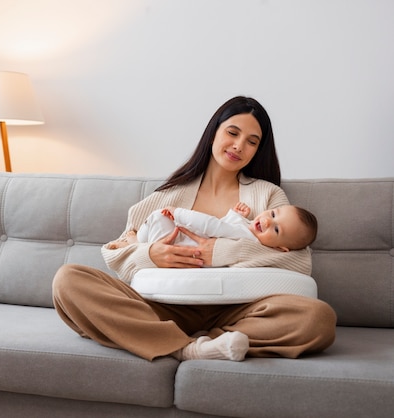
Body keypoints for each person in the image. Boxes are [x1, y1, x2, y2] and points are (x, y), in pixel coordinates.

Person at [52, 96, 336, 362]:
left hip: (240, 307)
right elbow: (119, 253)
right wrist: (151, 254)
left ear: (258, 150)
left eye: (252, 141)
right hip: (166, 305)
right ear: (214, 132)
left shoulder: (267, 196)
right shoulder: (169, 195)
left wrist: (222, 252)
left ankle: (203, 342)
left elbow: (298, 261)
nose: (239, 146)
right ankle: (188, 349)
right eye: (232, 133)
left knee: (318, 318)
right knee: (68, 280)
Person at [106, 201, 318, 253]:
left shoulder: (248, 238)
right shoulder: (247, 229)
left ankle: (136, 244)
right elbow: (226, 226)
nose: (269, 221)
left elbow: (213, 226)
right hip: (174, 246)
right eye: (272, 213)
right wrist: (235, 215)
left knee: (158, 217)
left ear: (282, 249)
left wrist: (178, 212)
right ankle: (139, 246)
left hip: (178, 243)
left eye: (277, 230)